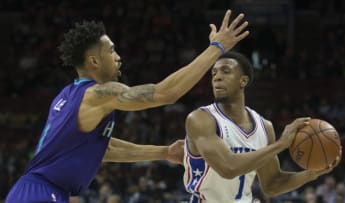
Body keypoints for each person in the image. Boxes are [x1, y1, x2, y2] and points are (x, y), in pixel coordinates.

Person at [5, 9, 249, 203]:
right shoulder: (98, 93)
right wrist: (216, 49)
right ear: (93, 61)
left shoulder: (67, 95)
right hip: (40, 194)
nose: (118, 56)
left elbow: (104, 149)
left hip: (37, 191)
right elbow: (165, 93)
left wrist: (163, 152)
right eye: (111, 51)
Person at [183, 52, 341, 203]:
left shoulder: (264, 127)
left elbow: (272, 184)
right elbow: (228, 168)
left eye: (226, 71)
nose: (217, 77)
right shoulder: (201, 119)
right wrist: (280, 145)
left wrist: (311, 174)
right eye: (214, 73)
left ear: (243, 81)